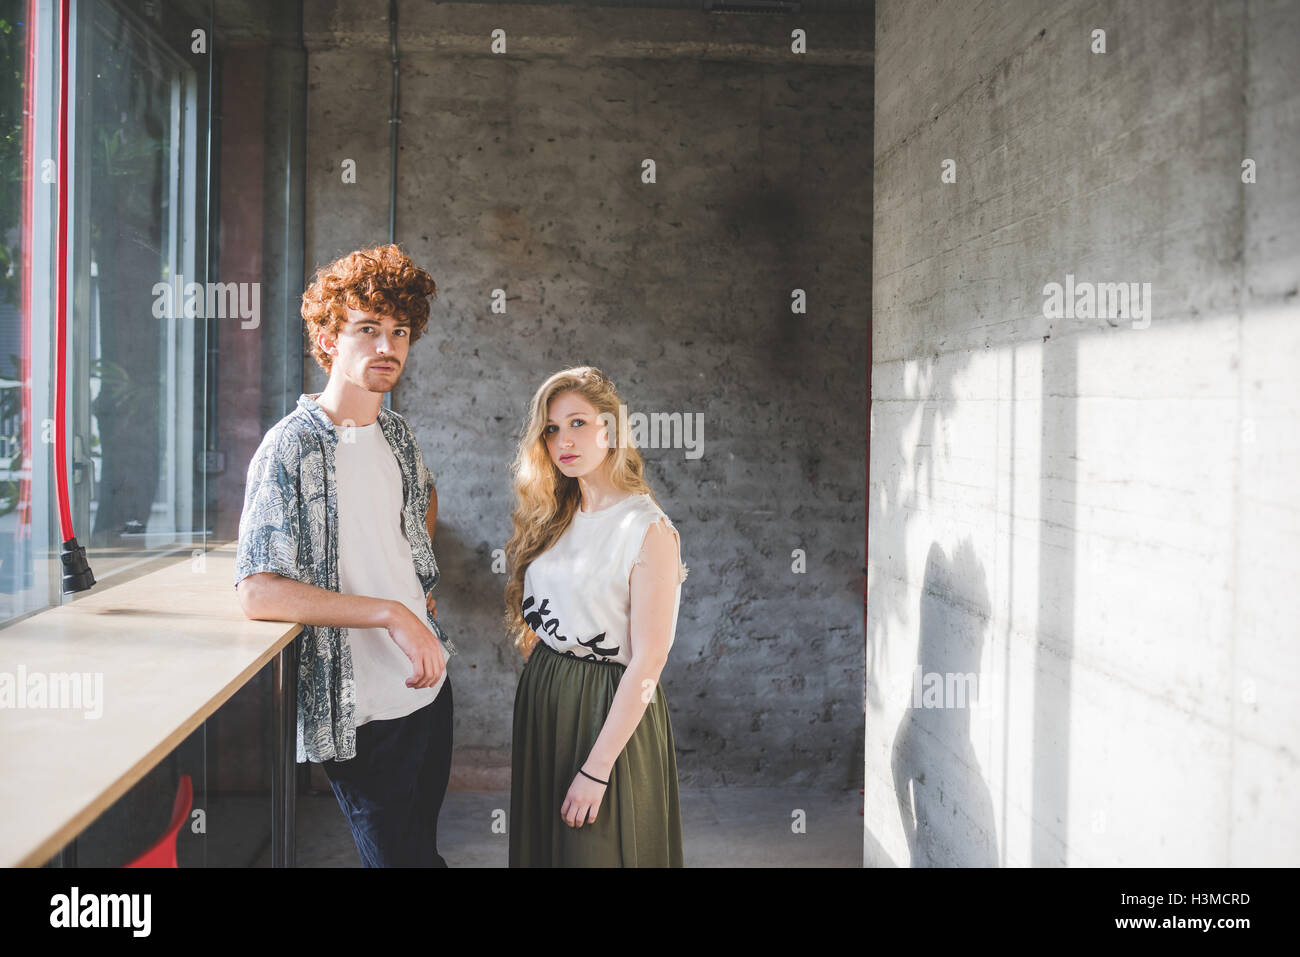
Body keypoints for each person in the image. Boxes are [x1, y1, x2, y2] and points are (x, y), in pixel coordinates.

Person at [233, 243, 456, 867]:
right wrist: (392, 611)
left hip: (429, 690)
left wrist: (414, 585)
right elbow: (257, 591)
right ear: (329, 338)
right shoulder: (290, 448)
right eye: (367, 330)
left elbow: (421, 503)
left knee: (420, 855)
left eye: (399, 331)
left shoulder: (398, 433)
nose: (388, 347)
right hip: (357, 707)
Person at [504, 366, 688, 867]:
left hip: (609, 710)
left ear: (611, 429)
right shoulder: (556, 514)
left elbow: (650, 659)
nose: (564, 439)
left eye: (578, 423)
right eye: (551, 428)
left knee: (599, 852)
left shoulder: (646, 529)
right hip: (547, 700)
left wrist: (597, 768)